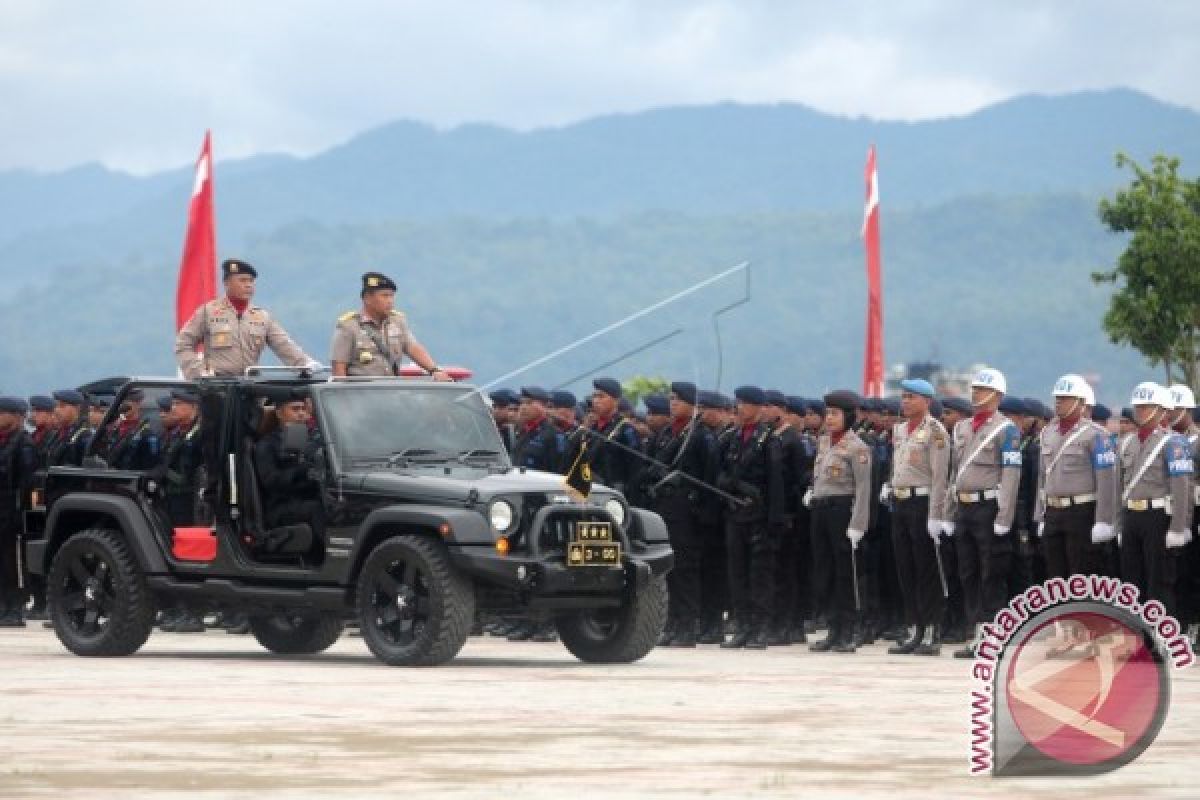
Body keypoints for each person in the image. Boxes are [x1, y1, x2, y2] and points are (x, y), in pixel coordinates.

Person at [948, 368, 1023, 659]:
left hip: (989, 506)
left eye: (983, 389)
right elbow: (955, 470)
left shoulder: (1007, 430)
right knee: (968, 572)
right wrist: (948, 510)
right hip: (964, 506)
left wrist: (1005, 515)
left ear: (998, 396)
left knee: (992, 571)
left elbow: (1011, 473)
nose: (976, 393)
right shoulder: (962, 428)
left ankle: (993, 634)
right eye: (975, 388)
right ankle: (974, 632)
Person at [885, 379, 951, 656]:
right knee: (905, 567)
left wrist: (936, 514)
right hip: (900, 501)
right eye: (903, 397)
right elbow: (896, 465)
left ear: (927, 400)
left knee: (926, 570)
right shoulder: (900, 430)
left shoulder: (936, 432)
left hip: (922, 503)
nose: (905, 402)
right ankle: (914, 627)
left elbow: (940, 477)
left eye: (911, 397)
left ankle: (932, 628)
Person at [717, 386, 785, 649]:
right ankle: (743, 626)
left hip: (759, 516)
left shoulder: (768, 440)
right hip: (736, 514)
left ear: (759, 408)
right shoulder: (733, 438)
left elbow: (776, 484)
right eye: (738, 403)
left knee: (760, 575)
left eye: (745, 404)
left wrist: (773, 521)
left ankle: (760, 628)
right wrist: (730, 485)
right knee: (737, 573)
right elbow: (720, 472)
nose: (740, 408)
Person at [1033, 374, 1118, 583]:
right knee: (1054, 575)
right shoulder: (1047, 433)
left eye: (1066, 397)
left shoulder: (1097, 435)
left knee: (1081, 573)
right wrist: (1040, 515)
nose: (1059, 401)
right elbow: (1043, 478)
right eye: (1057, 397)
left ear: (1081, 402)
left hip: (1081, 512)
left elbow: (1107, 481)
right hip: (1053, 511)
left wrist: (1103, 520)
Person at [1118, 382, 1193, 617]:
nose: (1139, 410)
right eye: (1137, 406)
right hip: (1132, 515)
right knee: (1131, 582)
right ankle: (1136, 637)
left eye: (1146, 406)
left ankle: (1161, 639)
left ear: (1162, 410)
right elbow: (1120, 483)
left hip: (1157, 516)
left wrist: (1178, 527)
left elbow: (1182, 487)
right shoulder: (1127, 441)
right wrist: (1119, 522)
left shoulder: (1174, 442)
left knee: (1158, 582)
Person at [807, 390, 872, 653]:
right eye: (828, 413)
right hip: (821, 510)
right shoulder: (824, 442)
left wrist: (858, 524)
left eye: (835, 414)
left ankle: (849, 630)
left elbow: (863, 488)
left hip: (842, 511)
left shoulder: (858, 448)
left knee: (846, 572)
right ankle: (833, 629)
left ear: (848, 416)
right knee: (825, 572)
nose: (829, 418)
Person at [648, 382, 712, 648]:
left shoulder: (698, 435)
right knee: (670, 569)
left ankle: (688, 624)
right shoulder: (668, 433)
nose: (673, 403)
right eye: (671, 399)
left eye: (678, 399)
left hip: (687, 510)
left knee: (685, 569)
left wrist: (701, 509)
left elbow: (708, 473)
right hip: (666, 508)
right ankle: (672, 622)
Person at [176, 258, 315, 379]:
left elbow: (284, 345)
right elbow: (183, 344)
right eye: (242, 280)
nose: (248, 285)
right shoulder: (209, 312)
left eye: (251, 281)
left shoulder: (262, 317)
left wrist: (306, 364)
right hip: (217, 385)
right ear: (227, 283)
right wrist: (198, 372)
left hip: (249, 384)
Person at [330, 272, 451, 379]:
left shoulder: (397, 322)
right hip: (361, 395)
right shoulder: (349, 326)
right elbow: (339, 369)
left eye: (392, 296)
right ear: (367, 298)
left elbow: (412, 347)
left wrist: (434, 370)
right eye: (384, 296)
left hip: (390, 392)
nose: (390, 301)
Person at [568, 378, 642, 495]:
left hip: (612, 495)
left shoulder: (626, 429)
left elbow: (635, 469)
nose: (596, 401)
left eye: (601, 397)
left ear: (616, 401)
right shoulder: (591, 429)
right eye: (594, 396)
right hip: (588, 492)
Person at [0, 398, 36, 627]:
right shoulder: (4, 442)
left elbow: (26, 482)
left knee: (13, 561)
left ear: (16, 416)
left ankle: (16, 607)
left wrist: (20, 512)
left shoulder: (24, 443)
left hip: (12, 511)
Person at [105, 389, 161, 471]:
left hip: (131, 478)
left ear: (138, 404)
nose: (123, 405)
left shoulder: (145, 431)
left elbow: (149, 465)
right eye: (121, 402)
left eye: (128, 402)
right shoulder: (116, 425)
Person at [511, 387, 560, 473]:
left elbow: (556, 470)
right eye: (522, 403)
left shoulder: (552, 434)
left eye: (529, 403)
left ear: (543, 406)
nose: (523, 407)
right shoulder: (523, 431)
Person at [47, 390, 93, 468]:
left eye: (62, 406)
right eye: (56, 406)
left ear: (77, 408)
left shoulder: (83, 436)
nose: (56, 410)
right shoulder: (59, 434)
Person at [488, 389, 520, 455]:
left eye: (516, 410)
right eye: (494, 406)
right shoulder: (484, 428)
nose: (496, 411)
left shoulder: (518, 432)